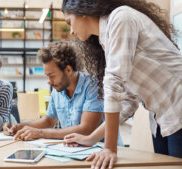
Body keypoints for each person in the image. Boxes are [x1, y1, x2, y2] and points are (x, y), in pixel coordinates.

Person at [61, 0, 182, 168]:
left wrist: (110, 148)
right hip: (161, 116)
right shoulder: (107, 39)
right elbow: (128, 101)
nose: (71, 31)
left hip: (178, 106)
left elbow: (114, 83)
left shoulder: (121, 17)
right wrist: (92, 138)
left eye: (69, 22)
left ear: (82, 11)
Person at [3, 41, 104, 141]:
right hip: (73, 148)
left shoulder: (93, 86)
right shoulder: (58, 90)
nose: (49, 82)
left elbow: (86, 130)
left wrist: (40, 133)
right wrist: (19, 127)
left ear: (68, 70)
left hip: (99, 151)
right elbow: (48, 121)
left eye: (52, 76)